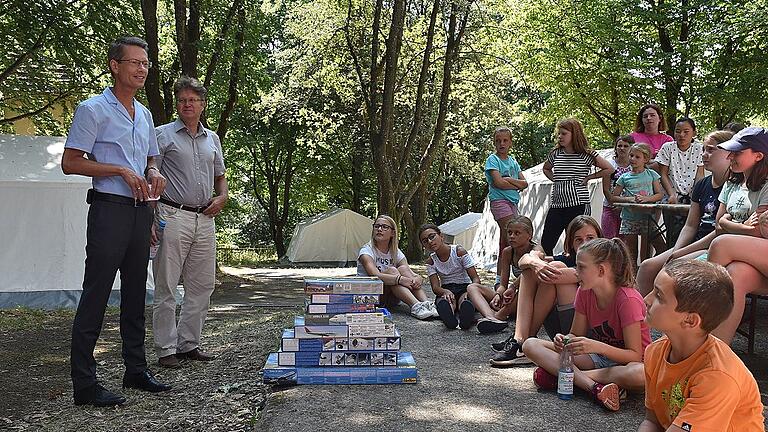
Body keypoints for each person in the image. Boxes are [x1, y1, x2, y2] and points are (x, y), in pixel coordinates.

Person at [62, 36, 171, 407]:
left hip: (142, 211)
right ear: (114, 65)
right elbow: (71, 162)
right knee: (96, 292)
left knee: (137, 292)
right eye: (134, 62)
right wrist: (120, 170)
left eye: (145, 64)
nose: (142, 69)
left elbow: (151, 161)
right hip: (109, 208)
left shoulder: (145, 114)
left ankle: (135, 370)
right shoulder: (93, 110)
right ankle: (84, 383)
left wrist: (152, 173)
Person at [152, 76, 228, 369]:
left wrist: (222, 197)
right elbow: (151, 172)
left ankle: (189, 344)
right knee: (167, 285)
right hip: (171, 214)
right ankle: (166, 349)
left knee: (202, 285)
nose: (187, 104)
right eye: (182, 100)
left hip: (205, 218)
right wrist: (151, 217)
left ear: (203, 104)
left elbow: (220, 177)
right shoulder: (162, 135)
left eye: (192, 100)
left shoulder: (213, 139)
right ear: (176, 104)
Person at [523, 238, 650, 412]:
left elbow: (635, 356)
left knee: (640, 374)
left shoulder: (628, 300)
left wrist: (597, 346)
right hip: (598, 359)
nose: (576, 272)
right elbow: (575, 333)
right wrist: (565, 340)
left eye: (581, 267)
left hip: (628, 364)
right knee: (530, 344)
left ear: (601, 270)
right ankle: (593, 387)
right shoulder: (584, 292)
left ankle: (562, 378)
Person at [639, 260, 764, 431]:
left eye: (659, 296)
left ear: (690, 320)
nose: (647, 299)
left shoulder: (717, 376)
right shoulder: (655, 352)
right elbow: (652, 422)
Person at [490, 216, 602, 367]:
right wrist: (535, 262)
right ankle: (520, 339)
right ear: (571, 242)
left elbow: (570, 274)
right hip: (562, 330)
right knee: (533, 270)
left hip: (584, 331)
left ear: (599, 239)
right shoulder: (570, 258)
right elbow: (524, 261)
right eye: (578, 240)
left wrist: (536, 264)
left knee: (554, 267)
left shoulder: (604, 264)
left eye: (590, 238)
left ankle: (524, 340)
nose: (585, 244)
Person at [635, 130, 734, 296]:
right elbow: (690, 225)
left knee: (673, 271)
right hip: (693, 243)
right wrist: (677, 250)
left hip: (715, 247)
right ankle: (640, 317)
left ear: (729, 153)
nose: (704, 155)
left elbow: (720, 231)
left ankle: (666, 316)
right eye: (703, 150)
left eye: (711, 150)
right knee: (647, 266)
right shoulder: (702, 185)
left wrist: (680, 254)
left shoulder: (735, 186)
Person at [703, 127, 768, 343]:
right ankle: (714, 354)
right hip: (754, 259)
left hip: (755, 251)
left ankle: (698, 318)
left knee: (722, 245)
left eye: (738, 152)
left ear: (758, 156)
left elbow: (757, 230)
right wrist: (740, 226)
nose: (730, 156)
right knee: (735, 274)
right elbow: (719, 221)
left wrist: (730, 224)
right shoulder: (735, 182)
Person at [540, 118, 614, 255]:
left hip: (578, 204)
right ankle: (550, 271)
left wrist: (589, 178)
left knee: (578, 242)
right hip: (557, 204)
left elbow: (609, 168)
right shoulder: (555, 153)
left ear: (574, 134)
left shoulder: (586, 154)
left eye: (564, 133)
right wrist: (556, 180)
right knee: (546, 243)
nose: (560, 137)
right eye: (559, 134)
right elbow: (546, 169)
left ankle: (578, 271)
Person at [466, 215, 541, 334]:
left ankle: (499, 316)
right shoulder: (507, 252)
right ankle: (490, 316)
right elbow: (503, 284)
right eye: (509, 232)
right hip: (514, 294)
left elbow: (530, 272)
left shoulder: (536, 250)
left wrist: (513, 287)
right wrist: (498, 294)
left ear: (529, 235)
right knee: (472, 287)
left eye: (517, 233)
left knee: (527, 276)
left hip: (530, 297)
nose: (511, 236)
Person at [357, 215, 436, 320]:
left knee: (402, 269)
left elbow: (408, 271)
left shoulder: (395, 251)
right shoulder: (366, 251)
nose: (379, 229)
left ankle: (426, 304)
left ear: (393, 233)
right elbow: (374, 275)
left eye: (385, 227)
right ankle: (415, 306)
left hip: (390, 297)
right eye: (377, 226)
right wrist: (400, 279)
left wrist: (418, 278)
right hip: (370, 297)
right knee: (393, 271)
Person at [612, 143, 666, 266]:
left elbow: (659, 194)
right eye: (631, 155)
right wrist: (629, 200)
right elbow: (614, 197)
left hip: (647, 217)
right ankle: (633, 277)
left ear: (646, 159)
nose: (633, 159)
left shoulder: (652, 174)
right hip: (629, 218)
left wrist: (647, 199)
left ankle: (650, 269)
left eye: (637, 157)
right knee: (631, 251)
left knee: (657, 247)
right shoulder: (624, 177)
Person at [419, 224, 481, 330]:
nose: (429, 241)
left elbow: (475, 278)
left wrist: (470, 291)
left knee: (465, 301)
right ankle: (449, 318)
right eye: (425, 241)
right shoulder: (430, 262)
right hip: (447, 289)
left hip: (465, 287)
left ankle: (465, 316)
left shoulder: (458, 252)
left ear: (441, 236)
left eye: (432, 236)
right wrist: (444, 292)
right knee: (446, 301)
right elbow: (435, 287)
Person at [656, 117, 704, 247]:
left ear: (694, 133)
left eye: (686, 131)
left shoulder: (700, 148)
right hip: (671, 194)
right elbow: (663, 174)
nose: (681, 135)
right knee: (672, 233)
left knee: (692, 232)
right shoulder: (667, 148)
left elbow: (700, 175)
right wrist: (672, 194)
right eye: (678, 131)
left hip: (692, 195)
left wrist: (696, 195)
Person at [484, 126, 528, 254]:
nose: (501, 144)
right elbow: (499, 183)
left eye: (505, 140)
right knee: (512, 235)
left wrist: (509, 179)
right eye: (498, 141)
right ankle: (519, 264)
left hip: (513, 202)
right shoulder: (493, 160)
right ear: (494, 143)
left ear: (510, 142)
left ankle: (501, 273)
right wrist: (516, 185)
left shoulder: (513, 161)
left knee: (505, 239)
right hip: (499, 201)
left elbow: (525, 183)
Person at [601, 136, 633, 239]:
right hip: (610, 207)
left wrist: (623, 206)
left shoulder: (634, 165)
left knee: (624, 241)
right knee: (609, 238)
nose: (622, 148)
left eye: (625, 146)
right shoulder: (610, 164)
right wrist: (613, 203)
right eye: (619, 146)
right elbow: (605, 189)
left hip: (628, 209)